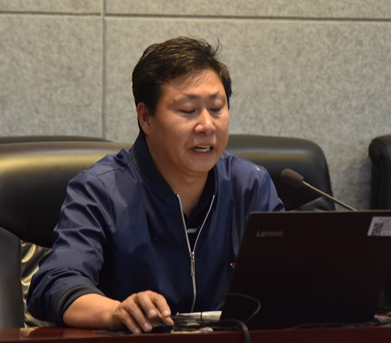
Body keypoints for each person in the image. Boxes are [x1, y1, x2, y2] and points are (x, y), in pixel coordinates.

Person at [26, 37, 284, 333]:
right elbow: (54, 284)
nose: (207, 125)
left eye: (216, 108)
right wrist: (116, 312)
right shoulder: (101, 190)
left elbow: (291, 279)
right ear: (146, 117)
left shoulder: (250, 185)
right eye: (188, 110)